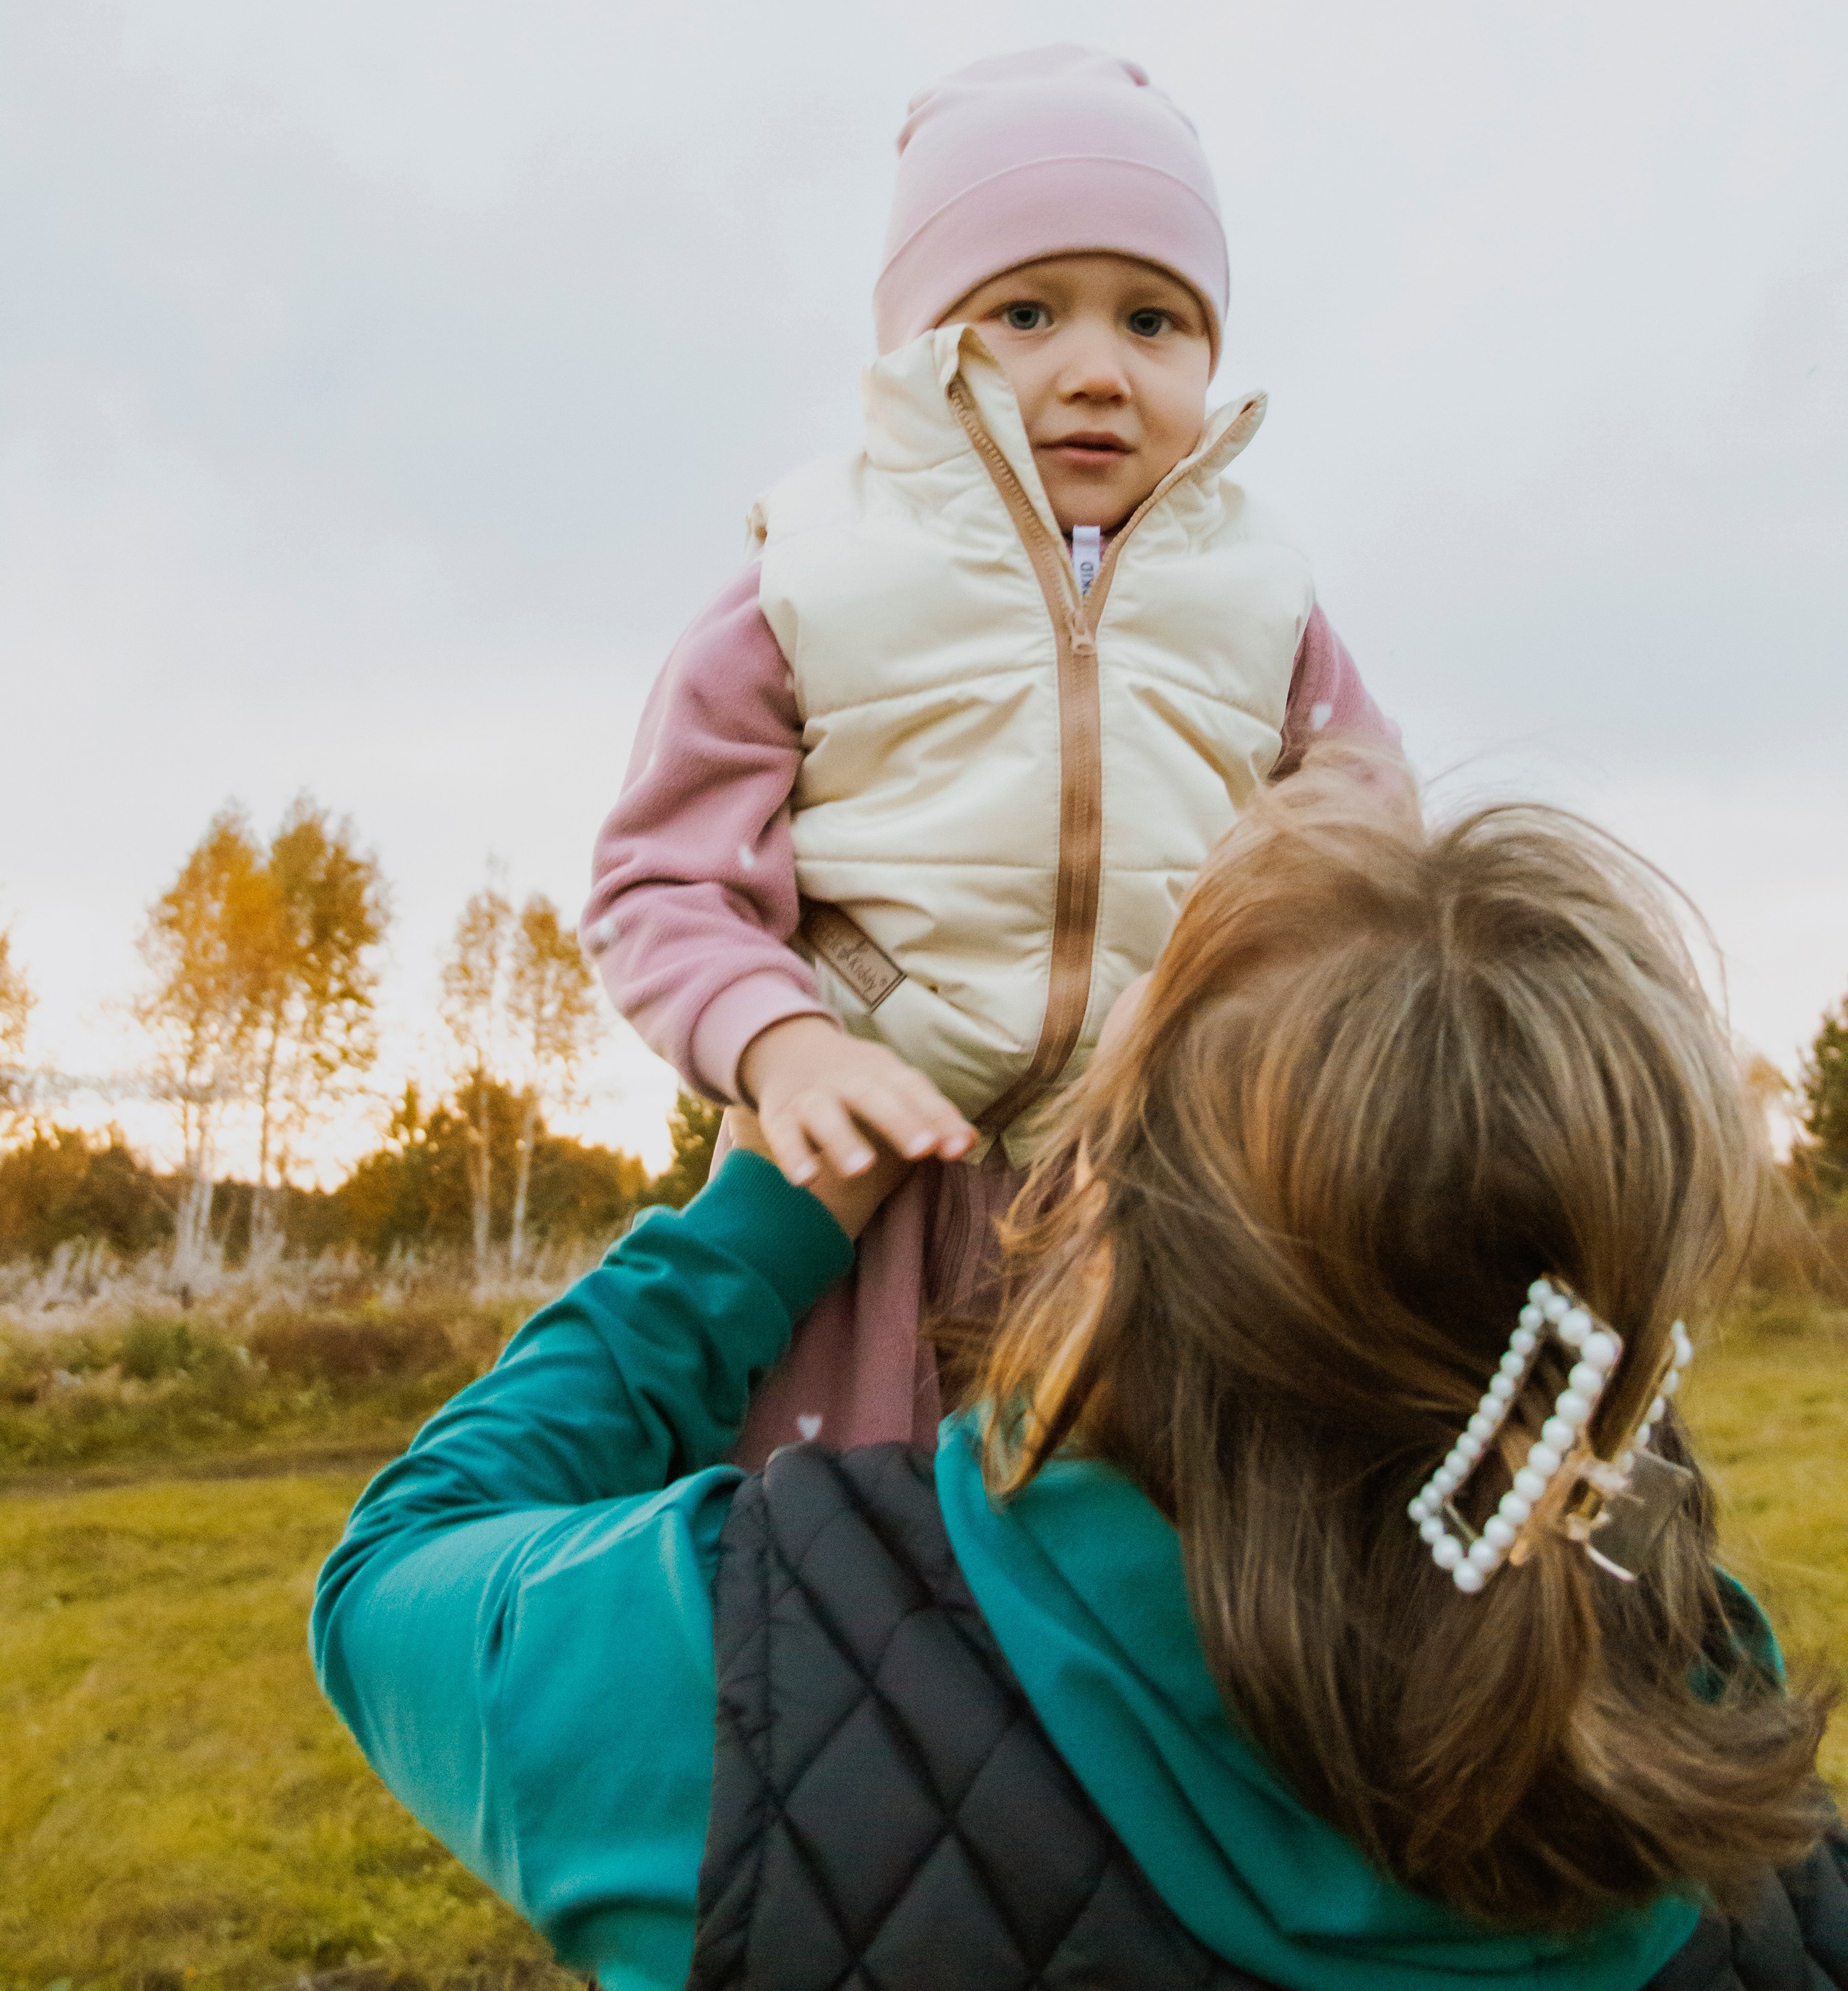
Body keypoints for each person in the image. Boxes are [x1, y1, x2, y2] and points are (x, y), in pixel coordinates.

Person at [315, 764, 1842, 1991]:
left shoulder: (756, 1687)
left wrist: (751, 1233)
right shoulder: (1750, 1811)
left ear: (1100, 1222)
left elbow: (395, 1574)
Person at [581, 44, 1399, 1458]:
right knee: (857, 1564)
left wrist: (1281, 1036)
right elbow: (662, 883)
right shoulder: (814, 575)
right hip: (870, 1179)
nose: (1096, 369)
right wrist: (776, 1048)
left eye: (1153, 322)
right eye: (1025, 313)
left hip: (1155, 1188)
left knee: (1152, 1557)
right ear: (920, 343)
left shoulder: (1258, 599)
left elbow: (1370, 852)